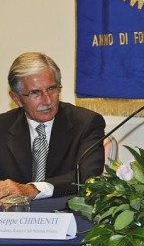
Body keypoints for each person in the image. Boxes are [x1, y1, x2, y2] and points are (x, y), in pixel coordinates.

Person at [0, 52, 106, 200]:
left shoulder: (86, 123)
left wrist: (34, 189)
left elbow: (86, 175)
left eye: (52, 89)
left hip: (65, 214)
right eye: (35, 93)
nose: (47, 100)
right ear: (16, 98)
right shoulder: (3, 126)